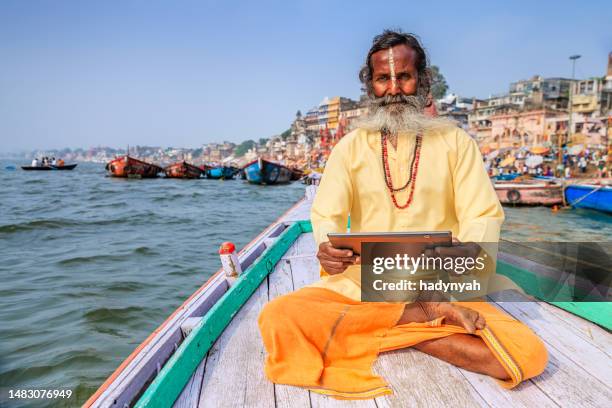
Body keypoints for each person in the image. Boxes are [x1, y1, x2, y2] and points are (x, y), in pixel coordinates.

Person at [260, 29, 547, 399]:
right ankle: (422, 319)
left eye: (404, 76)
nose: (394, 89)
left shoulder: (455, 142)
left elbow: (482, 216)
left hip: (443, 282)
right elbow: (327, 216)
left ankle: (392, 325)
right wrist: (327, 250)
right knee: (277, 316)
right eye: (383, 79)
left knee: (528, 355)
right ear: (371, 87)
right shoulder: (350, 147)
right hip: (366, 284)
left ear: (422, 81)